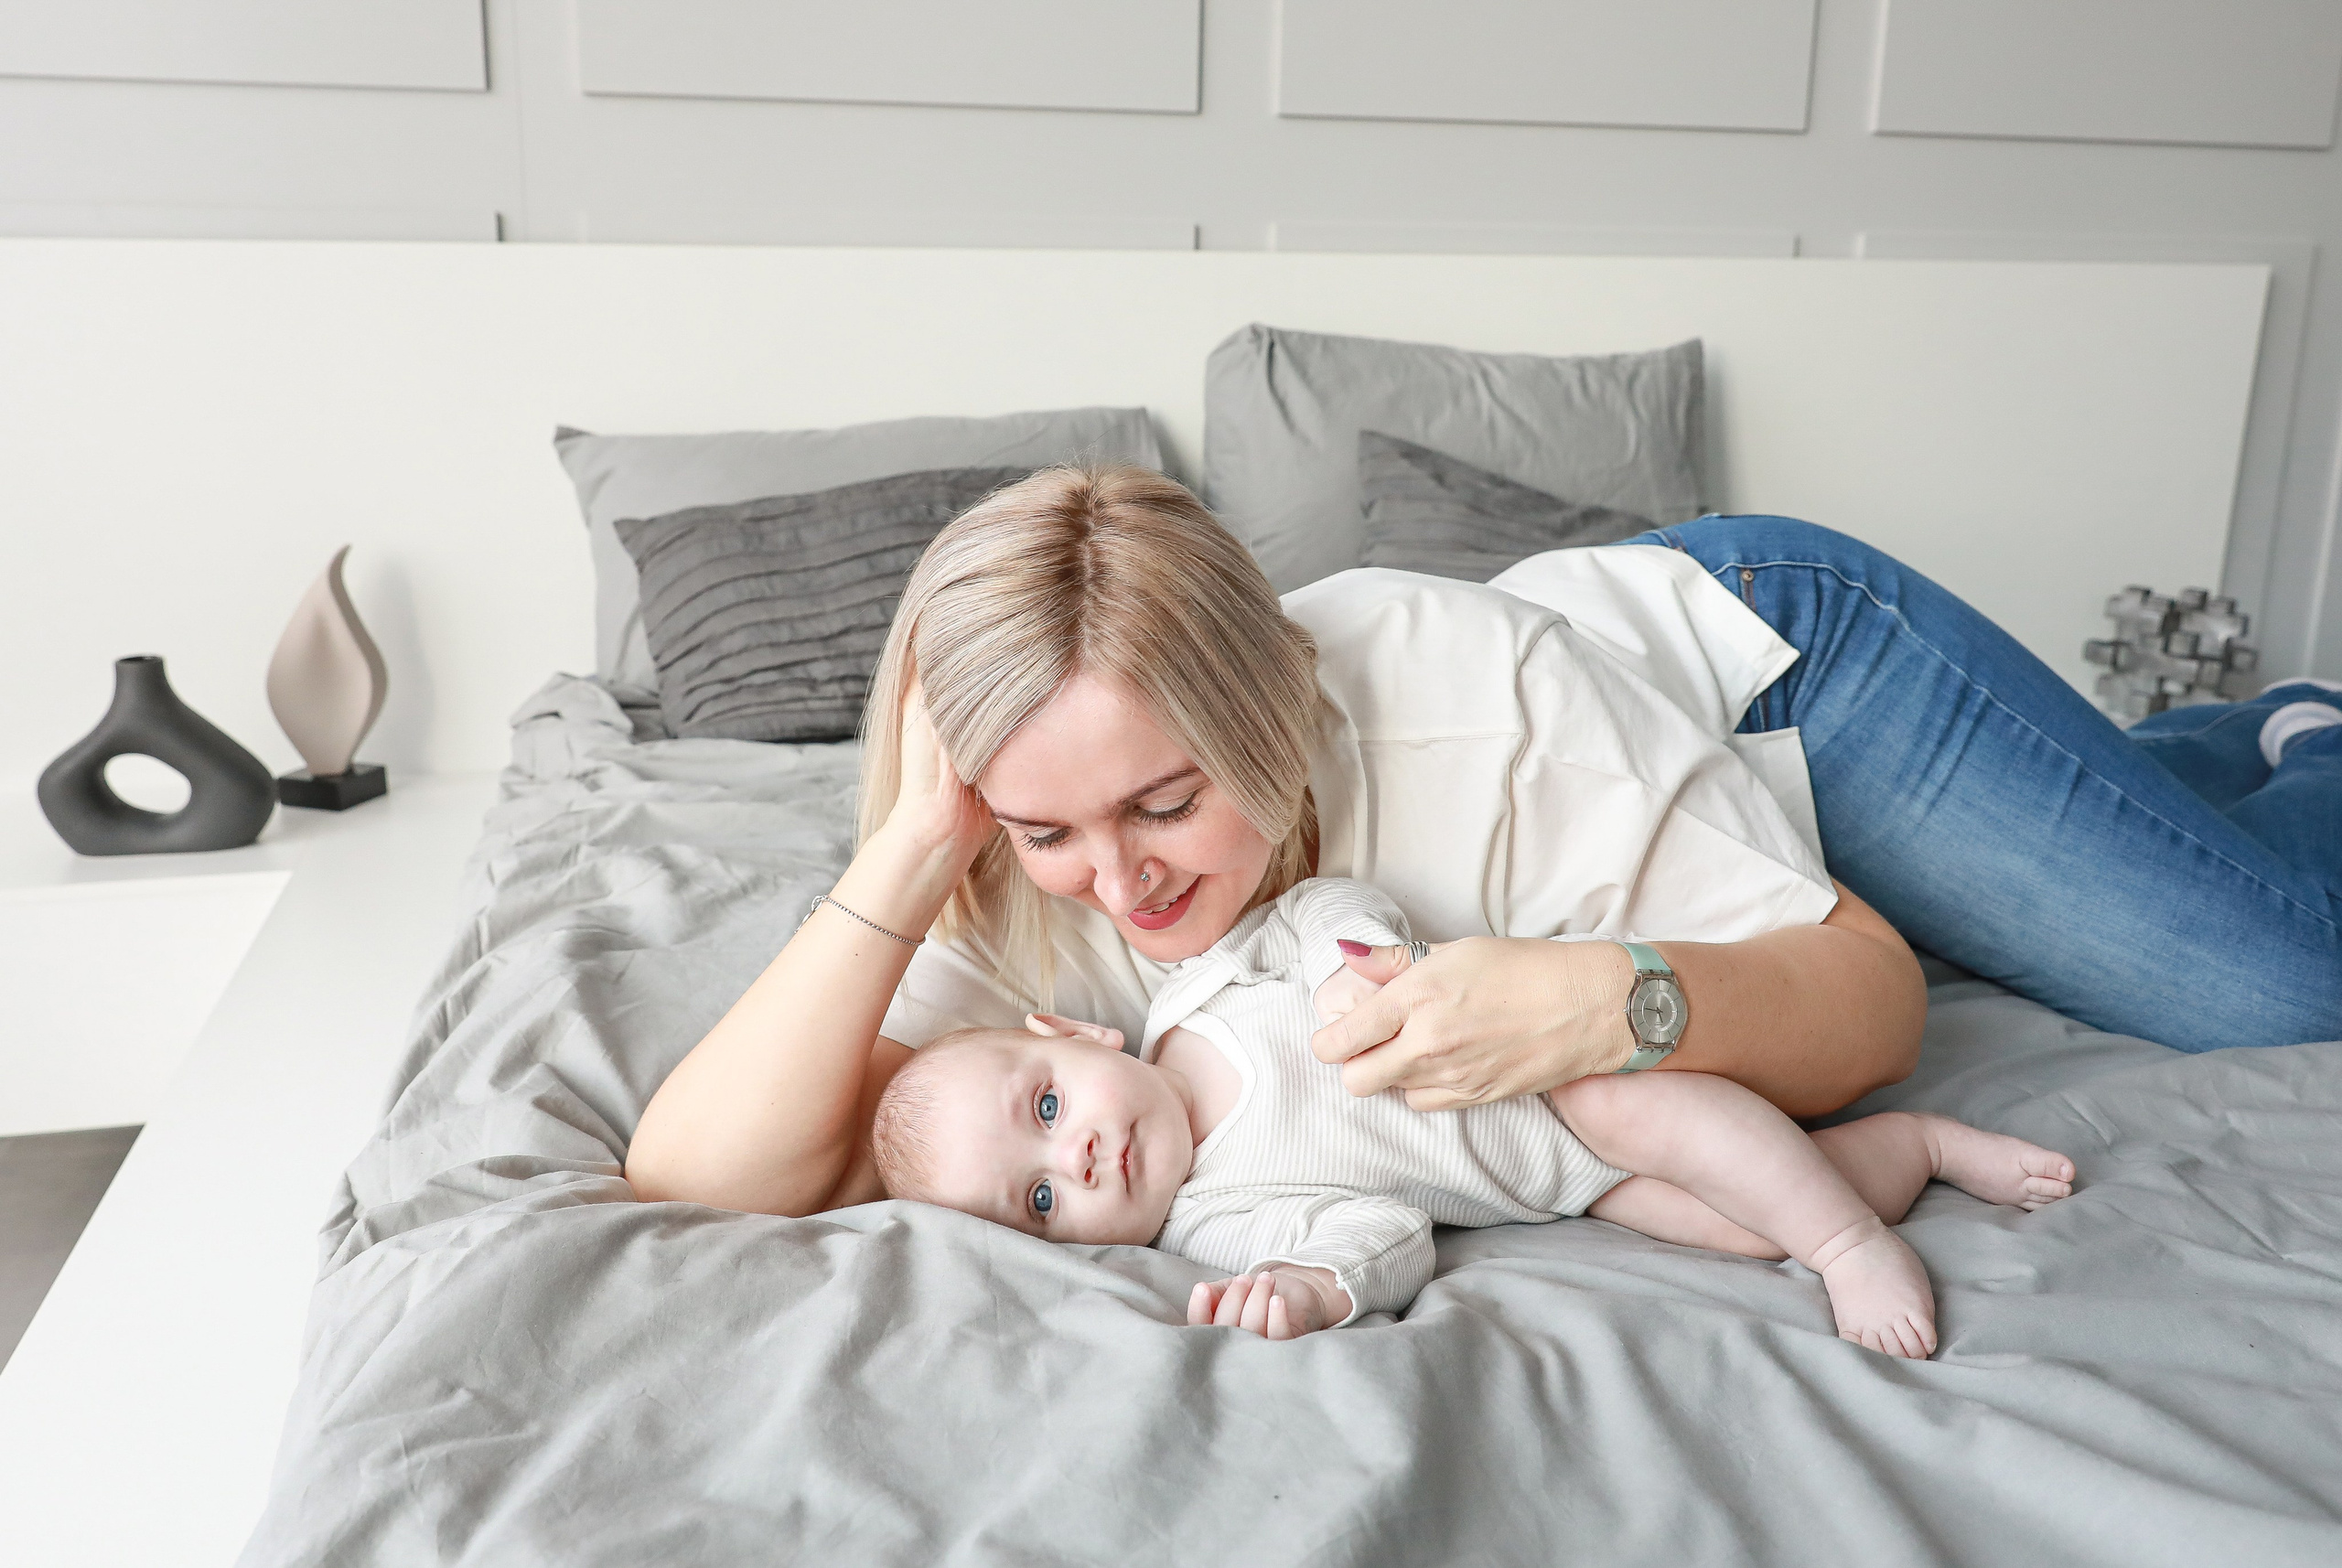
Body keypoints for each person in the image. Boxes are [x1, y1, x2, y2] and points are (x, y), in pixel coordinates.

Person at [624, 466, 2342, 1231]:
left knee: (2284, 969)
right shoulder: (1004, 859)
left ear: (1273, 710)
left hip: (1783, 671)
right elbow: (698, 1174)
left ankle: (2289, 734)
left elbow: (1871, 1000)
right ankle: (2145, 772)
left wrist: (1610, 1003)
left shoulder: (1473, 696)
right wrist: (926, 833)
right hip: (1663, 751)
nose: (1125, 888)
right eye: (1048, 827)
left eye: (1167, 803)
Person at [867, 875, 2076, 1355]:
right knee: (1737, 1222)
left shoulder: (1202, 990)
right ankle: (1916, 1148)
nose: (1076, 1151)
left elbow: (1308, 903)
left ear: (1074, 1037)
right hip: (1562, 1178)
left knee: (1668, 1128)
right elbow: (1387, 1238)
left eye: (1044, 1103)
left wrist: (1353, 960)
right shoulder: (1217, 1224)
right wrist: (1314, 1289)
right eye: (1041, 1196)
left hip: (1562, 1066)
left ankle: (1852, 1243)